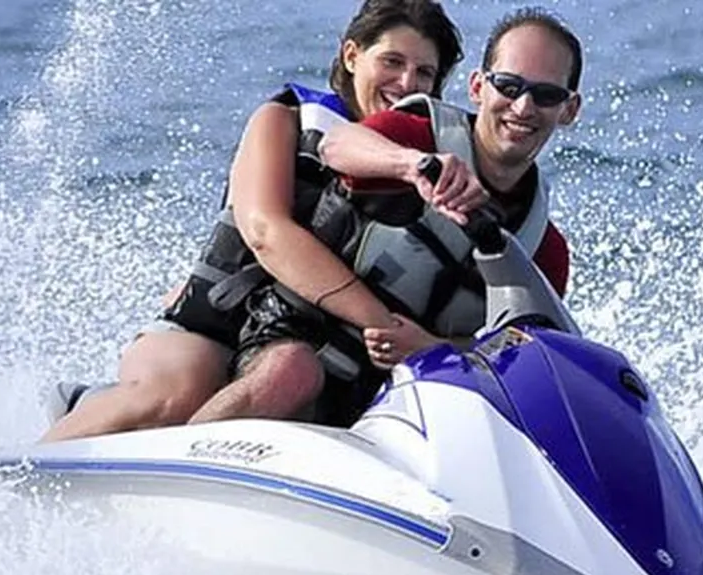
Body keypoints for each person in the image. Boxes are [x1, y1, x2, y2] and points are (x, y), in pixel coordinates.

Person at [42, 0, 464, 442]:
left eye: (424, 73)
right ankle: (28, 473)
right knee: (177, 396)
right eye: (392, 62)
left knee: (297, 379)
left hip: (311, 351)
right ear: (352, 55)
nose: (405, 82)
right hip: (216, 327)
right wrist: (383, 325)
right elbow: (266, 233)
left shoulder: (427, 174)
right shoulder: (283, 120)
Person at [202, 6, 582, 423]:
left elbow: (514, 354)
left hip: (400, 392)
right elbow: (337, 147)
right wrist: (411, 165)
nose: (523, 107)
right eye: (508, 86)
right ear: (478, 87)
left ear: (569, 109)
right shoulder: (414, 136)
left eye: (546, 95)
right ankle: (181, 467)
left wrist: (433, 346)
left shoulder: (544, 251)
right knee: (292, 373)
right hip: (297, 334)